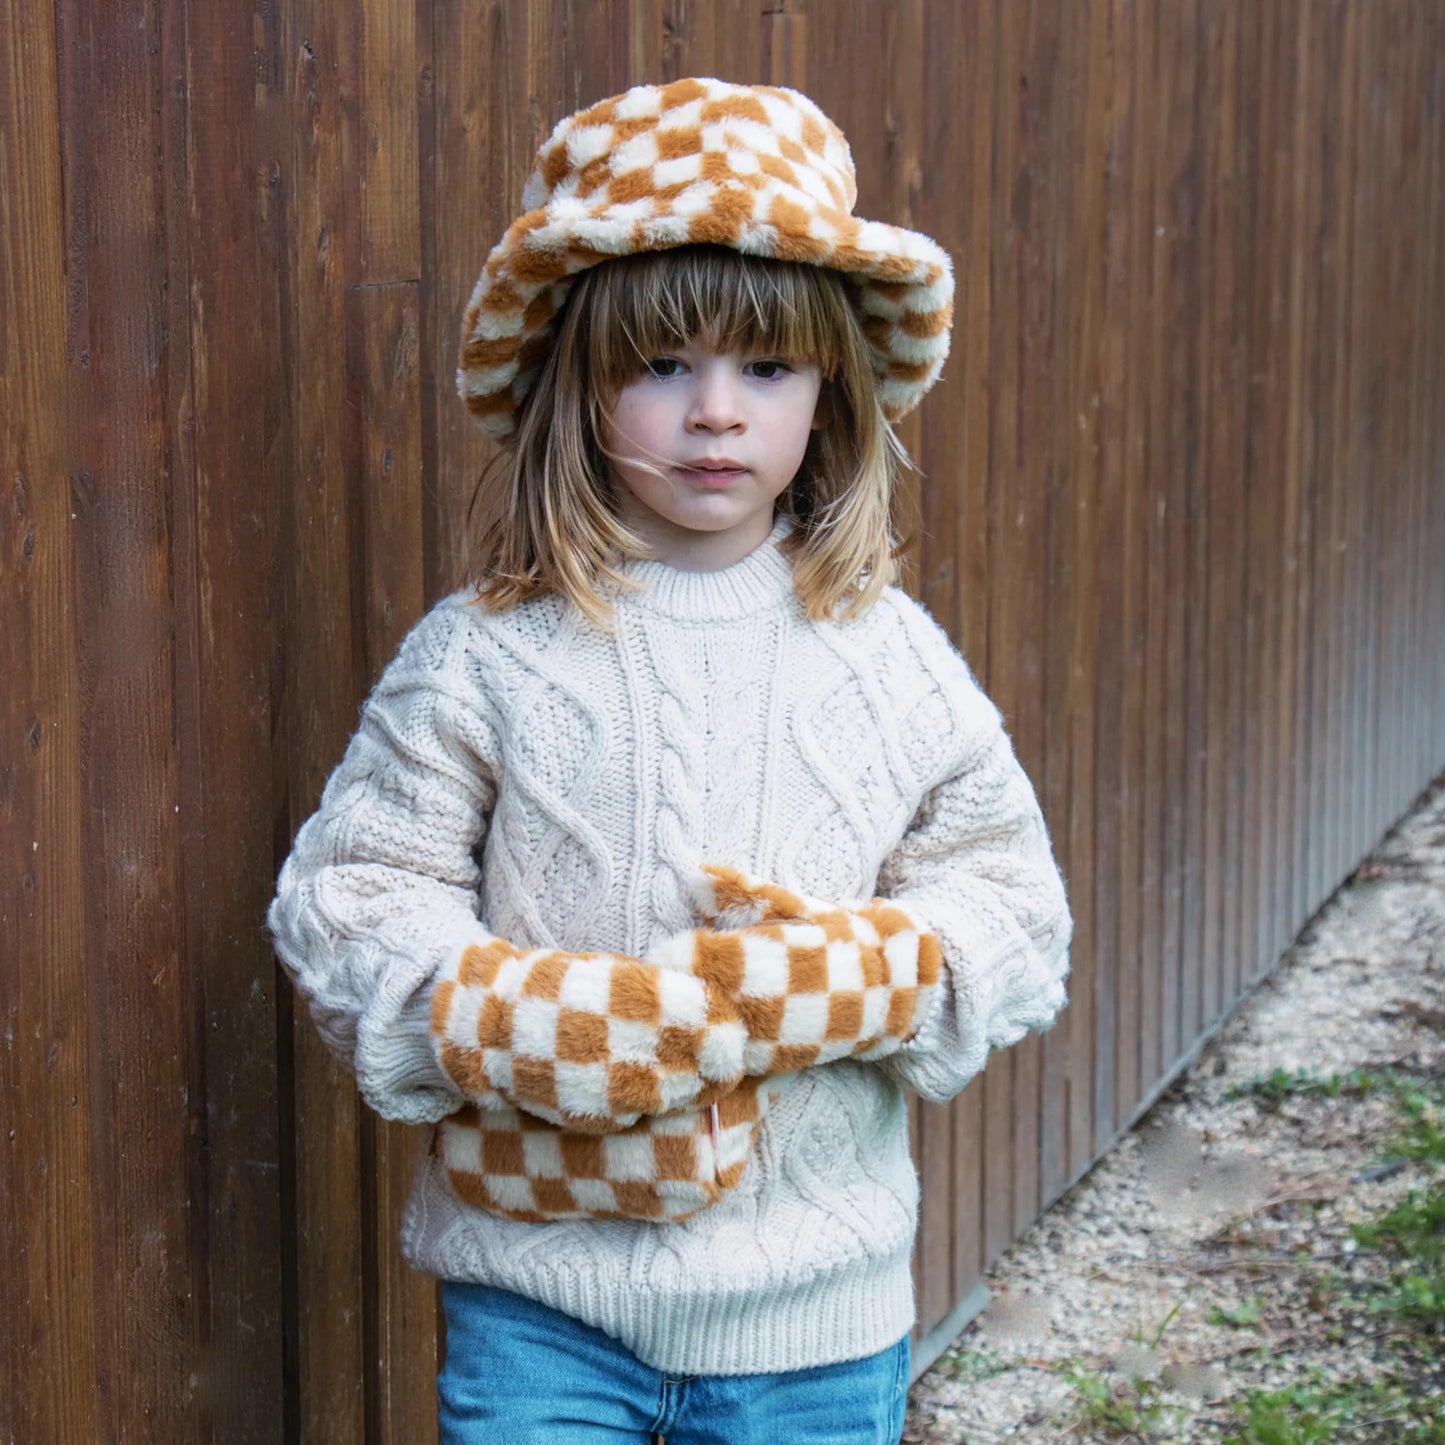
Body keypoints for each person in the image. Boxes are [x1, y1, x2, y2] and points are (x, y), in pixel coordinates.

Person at [269, 77, 1071, 1445]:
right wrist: (541, 1023)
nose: (715, 413)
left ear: (830, 397)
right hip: (541, 1307)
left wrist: (838, 978)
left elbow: (1014, 909)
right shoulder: (483, 658)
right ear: (572, 386)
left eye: (765, 368)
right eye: (660, 365)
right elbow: (349, 897)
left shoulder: (887, 656)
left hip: (818, 1316)